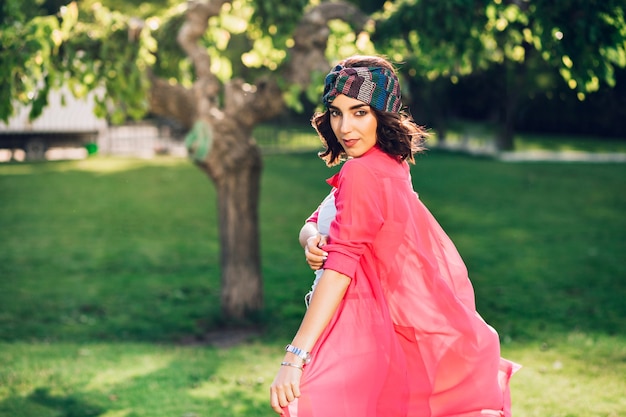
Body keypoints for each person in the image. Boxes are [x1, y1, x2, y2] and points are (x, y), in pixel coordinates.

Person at [270, 55, 519, 417]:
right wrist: (310, 239)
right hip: (376, 332)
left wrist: (295, 356)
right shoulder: (390, 164)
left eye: (359, 112)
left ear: (382, 113)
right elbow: (319, 220)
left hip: (356, 334)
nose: (344, 126)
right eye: (336, 112)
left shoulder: (362, 173)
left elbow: (342, 266)